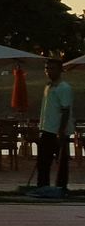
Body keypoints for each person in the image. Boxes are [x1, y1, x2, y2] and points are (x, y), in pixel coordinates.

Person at [35, 57, 74, 193]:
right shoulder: (48, 87)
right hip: (47, 128)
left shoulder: (64, 88)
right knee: (43, 160)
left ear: (60, 70)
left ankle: (61, 187)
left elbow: (65, 110)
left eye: (52, 69)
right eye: (47, 69)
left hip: (58, 130)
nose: (49, 71)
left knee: (61, 161)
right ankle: (42, 185)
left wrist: (61, 131)